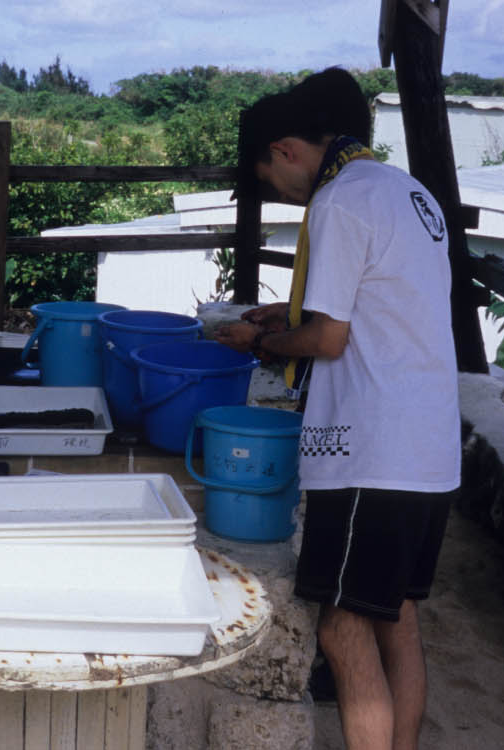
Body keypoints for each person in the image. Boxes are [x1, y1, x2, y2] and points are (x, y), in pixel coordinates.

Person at [214, 68, 460, 750]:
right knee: (396, 621)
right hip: (429, 450)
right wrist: (286, 317)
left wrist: (263, 342)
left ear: (286, 150)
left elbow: (328, 339)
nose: (282, 195)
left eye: (271, 181)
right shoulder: (408, 192)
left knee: (342, 629)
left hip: (371, 453)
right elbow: (376, 306)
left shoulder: (339, 201)